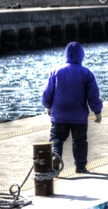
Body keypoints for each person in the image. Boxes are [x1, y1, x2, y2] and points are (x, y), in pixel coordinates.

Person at [42, 42, 103, 174]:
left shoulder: (56, 71)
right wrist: (97, 111)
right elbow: (93, 95)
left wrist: (48, 106)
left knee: (56, 139)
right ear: (81, 56)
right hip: (78, 115)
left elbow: (47, 92)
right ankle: (80, 167)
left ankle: (55, 157)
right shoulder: (86, 73)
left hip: (59, 114)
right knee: (80, 141)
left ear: (66, 56)